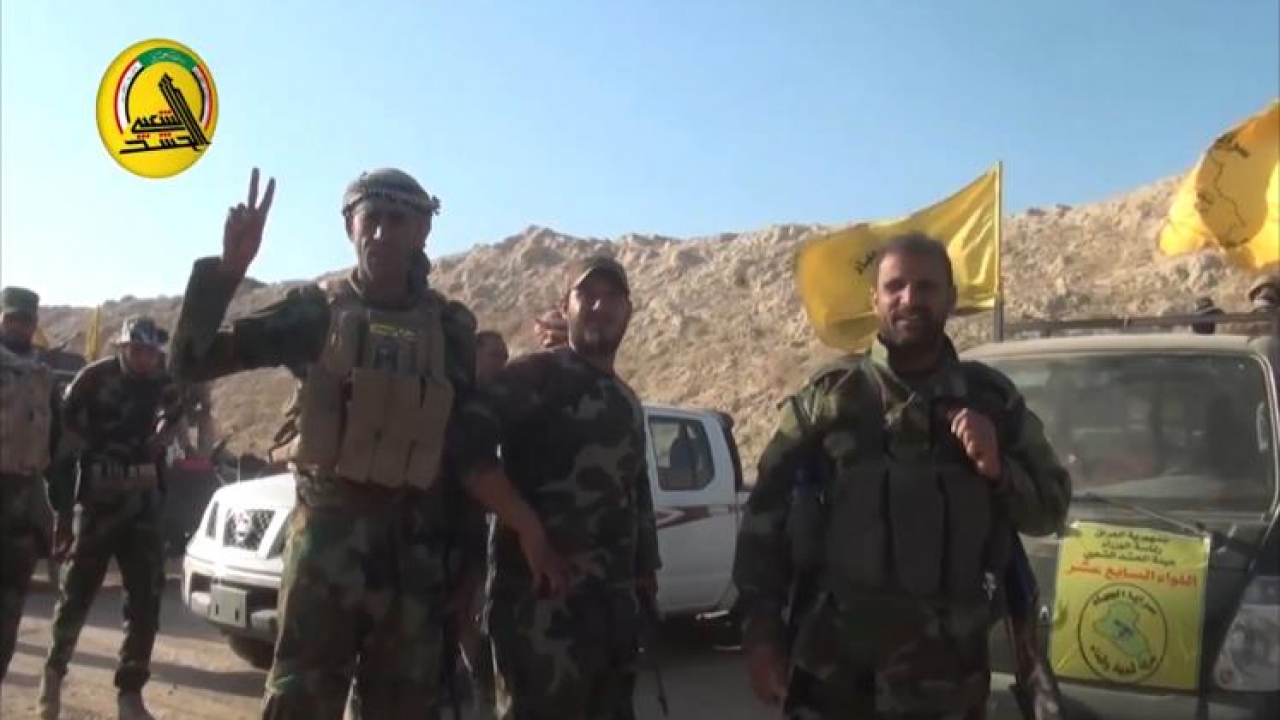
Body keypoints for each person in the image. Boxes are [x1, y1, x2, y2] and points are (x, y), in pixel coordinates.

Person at [165, 167, 564, 720]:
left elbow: (465, 452)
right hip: (325, 553)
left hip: (415, 562)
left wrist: (470, 566)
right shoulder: (315, 315)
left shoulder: (450, 329)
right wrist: (228, 272)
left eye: (397, 220)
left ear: (422, 230)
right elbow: (190, 362)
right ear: (349, 226)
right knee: (300, 701)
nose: (381, 233)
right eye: (370, 219)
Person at [733, 232, 1072, 719]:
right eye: (895, 286)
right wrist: (762, 634)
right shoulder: (830, 399)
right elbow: (764, 519)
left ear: (951, 298)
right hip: (835, 682)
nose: (910, 299)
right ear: (875, 299)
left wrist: (999, 469)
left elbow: (1050, 510)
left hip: (949, 687)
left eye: (926, 287)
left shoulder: (992, 401)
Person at [455, 256, 661, 720]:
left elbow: (635, 491)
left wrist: (645, 576)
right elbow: (465, 443)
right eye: (587, 295)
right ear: (565, 306)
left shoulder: (626, 399)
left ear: (628, 312)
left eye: (612, 297)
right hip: (540, 618)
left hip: (611, 619)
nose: (600, 307)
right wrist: (527, 527)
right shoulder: (537, 376)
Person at [38, 316, 187, 720]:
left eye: (150, 353)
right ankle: (53, 673)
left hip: (142, 504)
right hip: (98, 502)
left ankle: (130, 693)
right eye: (137, 351)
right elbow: (65, 440)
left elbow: (174, 411)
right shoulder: (93, 379)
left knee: (145, 599)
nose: (144, 359)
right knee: (77, 592)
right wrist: (64, 511)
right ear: (122, 348)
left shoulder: (162, 381)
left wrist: (162, 434)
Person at [0, 286, 59, 696]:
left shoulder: (42, 376)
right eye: (12, 319)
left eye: (25, 320)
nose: (19, 327)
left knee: (8, 613)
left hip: (23, 504)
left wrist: (57, 511)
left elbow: (55, 446)